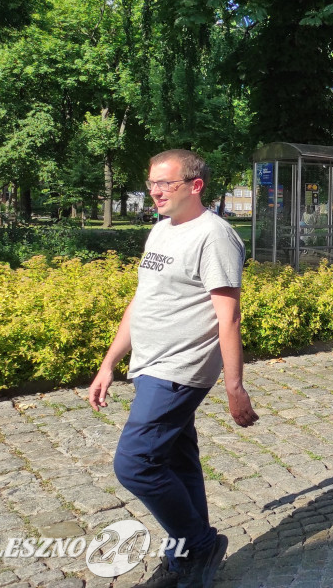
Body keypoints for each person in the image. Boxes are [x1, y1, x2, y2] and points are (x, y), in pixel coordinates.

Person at [88, 150, 258, 588]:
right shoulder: (161, 230)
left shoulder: (215, 236)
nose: (155, 191)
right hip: (148, 363)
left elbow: (229, 316)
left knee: (135, 463)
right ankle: (186, 558)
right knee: (176, 460)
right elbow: (142, 300)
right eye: (151, 184)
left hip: (181, 368)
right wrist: (110, 363)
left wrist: (234, 386)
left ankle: (198, 543)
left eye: (164, 184)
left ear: (194, 185)